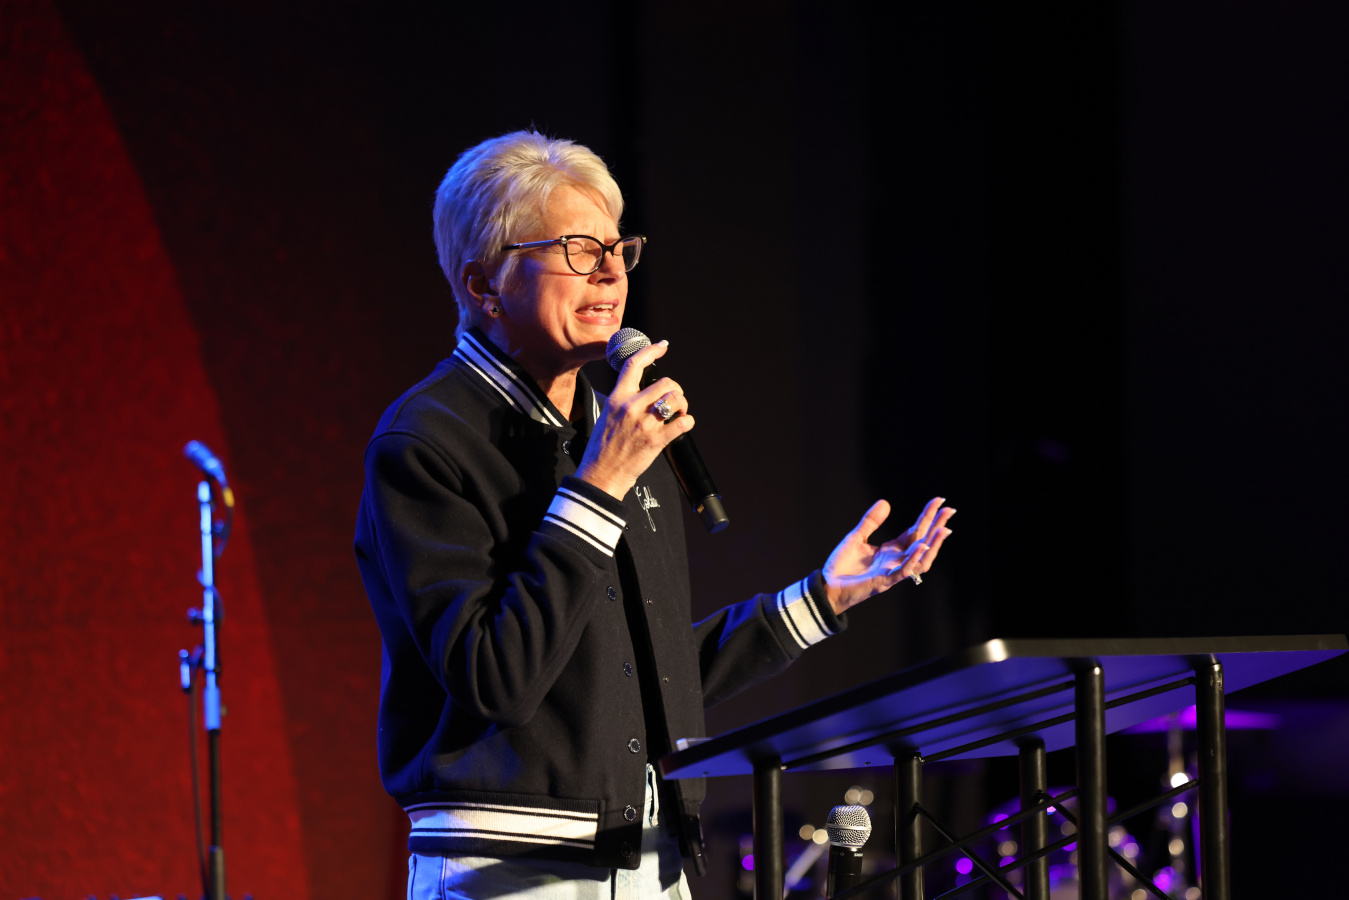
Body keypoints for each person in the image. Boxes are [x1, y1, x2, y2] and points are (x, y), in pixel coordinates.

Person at [354, 129, 955, 900]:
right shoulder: (427, 442)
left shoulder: (617, 429)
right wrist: (598, 484)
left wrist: (823, 598)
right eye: (576, 249)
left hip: (650, 852)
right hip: (510, 860)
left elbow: (649, 676)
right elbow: (494, 676)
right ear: (482, 285)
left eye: (616, 248)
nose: (609, 272)